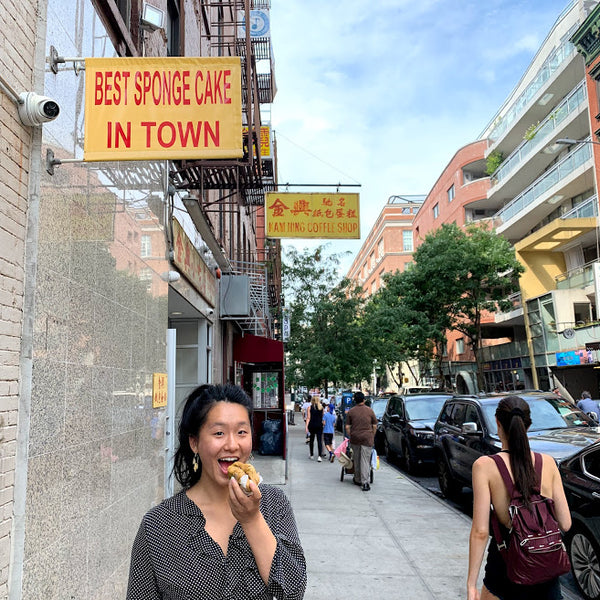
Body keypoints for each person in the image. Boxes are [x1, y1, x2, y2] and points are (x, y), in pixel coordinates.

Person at [126, 384, 307, 600]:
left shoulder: (274, 503)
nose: (232, 445)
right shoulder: (158, 525)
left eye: (241, 432)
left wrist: (252, 520)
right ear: (194, 442)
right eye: (219, 433)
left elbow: (293, 591)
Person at [467, 395, 571, 600]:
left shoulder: (485, 466)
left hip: (504, 570)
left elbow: (480, 531)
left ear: (497, 422)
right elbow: (566, 523)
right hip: (546, 568)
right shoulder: (548, 463)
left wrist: (471, 584)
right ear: (528, 425)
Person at [345, 391, 377, 491]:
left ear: (355, 400)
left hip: (355, 438)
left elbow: (347, 427)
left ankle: (357, 479)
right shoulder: (370, 411)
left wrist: (351, 434)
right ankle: (365, 482)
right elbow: (374, 425)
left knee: (357, 458)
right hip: (367, 438)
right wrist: (372, 434)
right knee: (365, 460)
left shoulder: (351, 411)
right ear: (364, 400)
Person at [306, 394, 324, 461]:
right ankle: (319, 456)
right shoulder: (321, 408)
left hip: (312, 425)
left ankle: (311, 454)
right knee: (319, 441)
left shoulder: (310, 408)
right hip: (319, 425)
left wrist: (306, 427)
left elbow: (308, 417)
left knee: (312, 440)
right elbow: (322, 417)